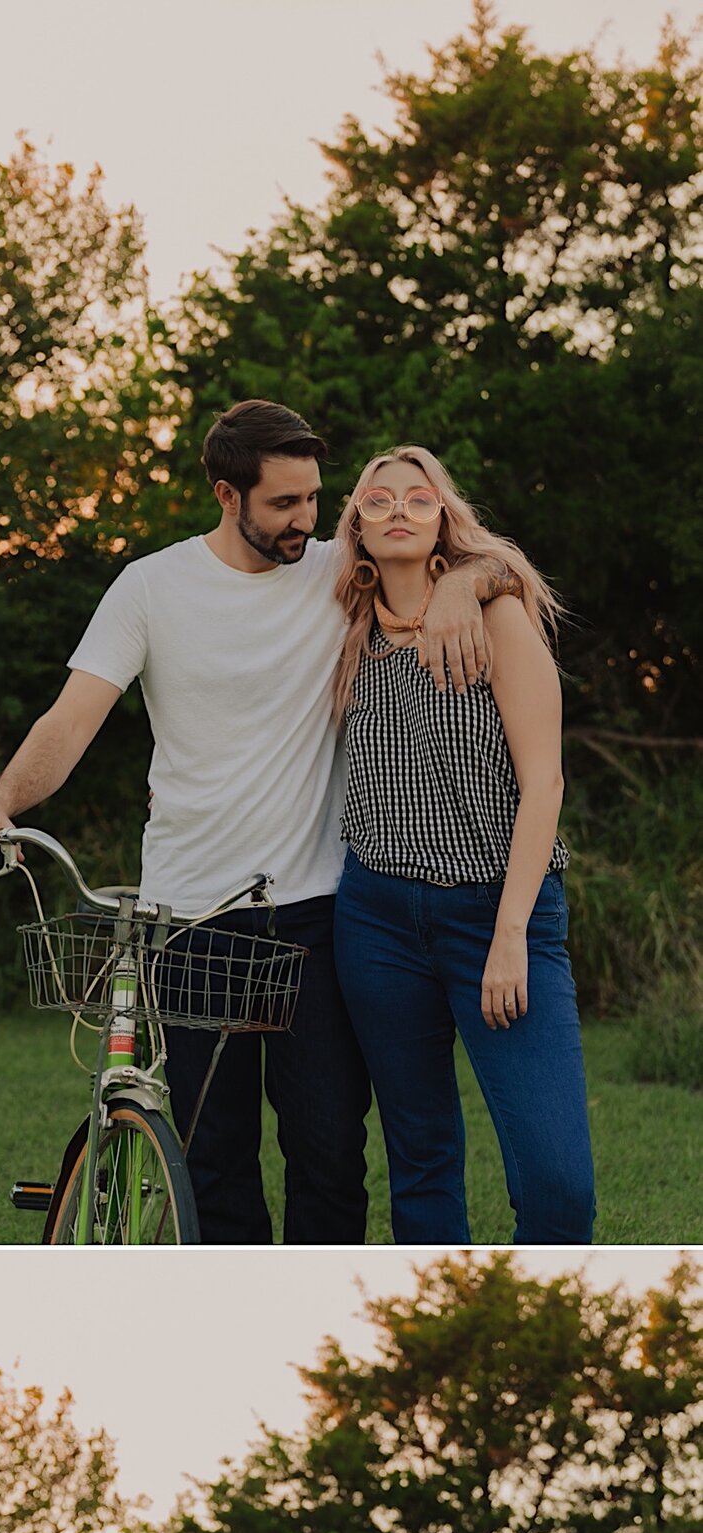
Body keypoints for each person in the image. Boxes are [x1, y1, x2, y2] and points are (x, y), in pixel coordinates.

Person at [0, 398, 519, 1244]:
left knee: (327, 1152)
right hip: (191, 920)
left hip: (318, 917)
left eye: (315, 499)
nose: (307, 521)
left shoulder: (338, 571)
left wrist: (468, 580)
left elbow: (475, 560)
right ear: (225, 493)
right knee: (214, 1160)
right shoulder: (151, 586)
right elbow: (69, 722)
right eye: (284, 504)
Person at [325, 446, 592, 1244]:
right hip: (374, 921)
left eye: (419, 497)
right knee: (422, 1160)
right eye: (379, 500)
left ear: (444, 516)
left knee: (556, 1183)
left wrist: (510, 935)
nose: (399, 510)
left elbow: (544, 783)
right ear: (358, 527)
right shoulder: (346, 631)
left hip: (499, 912)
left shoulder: (495, 614)